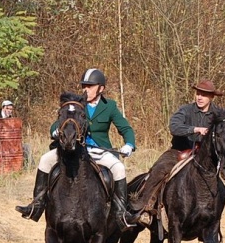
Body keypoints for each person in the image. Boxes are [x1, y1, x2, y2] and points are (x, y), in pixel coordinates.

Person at [14, 68, 138, 229]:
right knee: (45, 160)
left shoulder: (110, 106)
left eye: (90, 86)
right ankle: (36, 205)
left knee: (119, 168)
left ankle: (121, 214)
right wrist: (56, 131)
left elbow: (125, 128)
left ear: (101, 88)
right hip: (74, 150)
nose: (85, 89)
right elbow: (57, 123)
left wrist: (129, 144)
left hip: (99, 151)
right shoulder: (76, 104)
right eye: (84, 86)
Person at [129, 79, 224, 225]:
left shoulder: (218, 114)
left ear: (211, 97)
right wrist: (194, 129)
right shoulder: (185, 110)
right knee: (159, 169)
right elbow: (174, 127)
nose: (199, 97)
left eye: (204, 95)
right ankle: (145, 208)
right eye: (198, 93)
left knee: (223, 189)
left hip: (206, 158)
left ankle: (214, 224)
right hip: (179, 152)